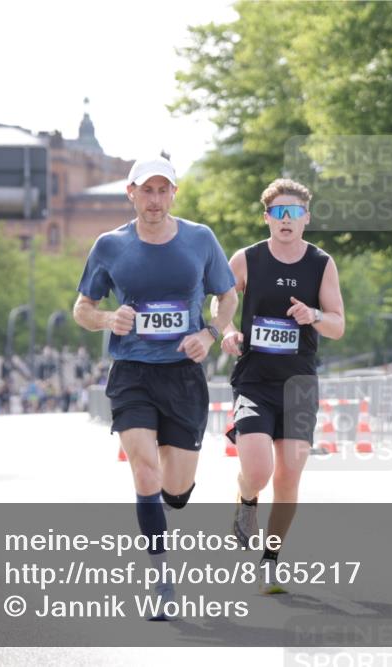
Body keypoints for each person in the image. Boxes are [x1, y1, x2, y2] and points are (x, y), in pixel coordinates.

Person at [73, 155, 237, 620]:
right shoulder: (110, 246)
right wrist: (108, 317)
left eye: (164, 190)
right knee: (144, 471)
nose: (156, 199)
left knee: (176, 488)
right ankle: (161, 577)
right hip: (132, 373)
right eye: (147, 190)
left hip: (183, 375)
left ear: (173, 195)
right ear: (132, 194)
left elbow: (227, 294)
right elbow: (82, 307)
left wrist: (209, 334)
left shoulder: (200, 239)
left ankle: (170, 503)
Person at [222, 178, 345, 594]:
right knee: (258, 470)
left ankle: (271, 560)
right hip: (255, 379)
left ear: (307, 218)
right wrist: (225, 331)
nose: (286, 220)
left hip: (299, 383)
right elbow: (219, 301)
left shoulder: (321, 263)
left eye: (294, 213)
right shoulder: (247, 259)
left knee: (289, 477)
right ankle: (244, 494)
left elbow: (338, 325)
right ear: (268, 217)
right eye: (279, 212)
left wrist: (313, 315)